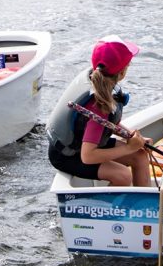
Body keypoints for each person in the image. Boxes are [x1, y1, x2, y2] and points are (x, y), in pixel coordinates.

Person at [46, 40, 152, 185]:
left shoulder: (103, 85)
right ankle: (117, 207)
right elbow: (88, 156)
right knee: (122, 175)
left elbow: (109, 124)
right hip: (68, 155)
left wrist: (132, 137)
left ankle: (143, 204)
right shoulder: (99, 106)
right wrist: (128, 147)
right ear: (121, 73)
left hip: (84, 144)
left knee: (139, 155)